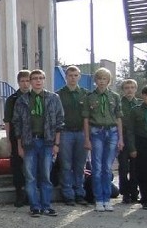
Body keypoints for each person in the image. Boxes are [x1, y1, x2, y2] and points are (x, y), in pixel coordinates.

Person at [12, 69, 64, 217]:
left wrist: (57, 144)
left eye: (41, 78)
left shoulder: (53, 98)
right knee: (30, 176)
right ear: (30, 81)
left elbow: (60, 121)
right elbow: (17, 124)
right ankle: (35, 206)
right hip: (29, 142)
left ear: (44, 80)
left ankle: (46, 205)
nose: (38, 81)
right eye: (34, 78)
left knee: (46, 175)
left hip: (47, 142)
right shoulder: (22, 100)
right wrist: (19, 145)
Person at [82, 67, 123, 212]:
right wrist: (86, 138)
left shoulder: (115, 97)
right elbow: (86, 119)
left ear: (109, 81)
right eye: (99, 79)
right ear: (95, 81)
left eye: (104, 79)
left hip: (112, 132)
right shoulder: (89, 97)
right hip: (96, 132)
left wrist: (121, 138)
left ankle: (107, 199)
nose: (102, 81)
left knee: (107, 168)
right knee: (97, 168)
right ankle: (99, 199)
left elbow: (118, 118)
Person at [57, 66, 89, 205]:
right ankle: (68, 194)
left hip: (82, 132)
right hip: (65, 133)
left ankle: (79, 193)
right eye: (70, 75)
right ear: (66, 77)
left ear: (79, 77)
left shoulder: (86, 94)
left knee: (80, 165)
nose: (73, 78)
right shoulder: (58, 94)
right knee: (66, 165)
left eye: (76, 75)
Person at [3, 70, 31, 207]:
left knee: (32, 166)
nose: (25, 84)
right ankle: (20, 193)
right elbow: (7, 121)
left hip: (33, 136)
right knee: (17, 166)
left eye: (27, 81)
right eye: (22, 81)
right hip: (16, 136)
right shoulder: (12, 99)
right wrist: (8, 139)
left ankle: (32, 193)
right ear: (18, 82)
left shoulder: (35, 97)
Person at [118, 79, 141, 204]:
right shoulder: (119, 103)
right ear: (123, 89)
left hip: (137, 139)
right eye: (127, 87)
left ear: (136, 89)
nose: (130, 90)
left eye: (132, 87)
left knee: (135, 167)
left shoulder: (140, 104)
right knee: (123, 168)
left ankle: (134, 192)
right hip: (123, 137)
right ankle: (125, 193)